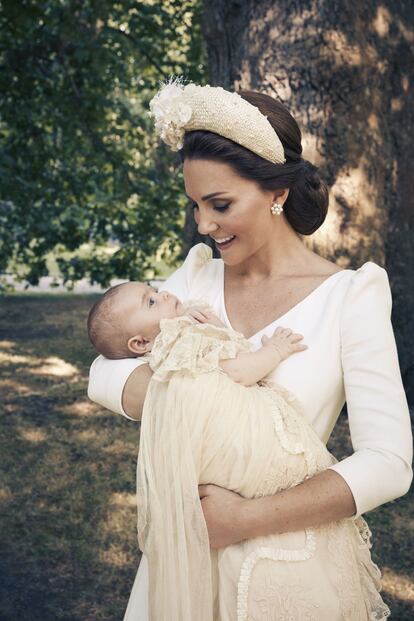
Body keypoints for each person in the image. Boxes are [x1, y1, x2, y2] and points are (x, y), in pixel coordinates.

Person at [87, 76, 413, 620]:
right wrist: (207, 392)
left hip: (286, 565)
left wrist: (245, 519)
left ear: (277, 193)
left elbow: (390, 463)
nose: (204, 225)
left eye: (219, 203)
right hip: (181, 571)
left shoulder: (349, 297)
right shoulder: (195, 282)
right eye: (195, 205)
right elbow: (103, 372)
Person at [86, 275, 391, 619]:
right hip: (207, 520)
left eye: (154, 292)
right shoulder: (184, 322)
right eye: (151, 301)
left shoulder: (351, 293)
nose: (164, 293)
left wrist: (211, 333)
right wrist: (272, 351)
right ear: (141, 343)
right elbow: (236, 370)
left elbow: (389, 463)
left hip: (282, 519)